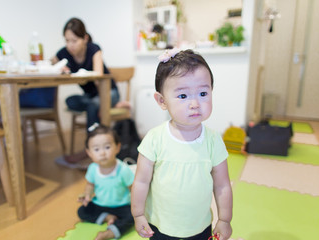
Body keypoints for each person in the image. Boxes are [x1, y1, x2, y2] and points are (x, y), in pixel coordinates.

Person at [131, 49, 233, 240]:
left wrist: (225, 219)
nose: (195, 103)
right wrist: (138, 214)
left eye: (203, 93)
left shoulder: (213, 141)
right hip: (159, 226)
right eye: (183, 96)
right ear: (162, 101)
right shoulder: (154, 139)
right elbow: (141, 181)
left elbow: (222, 185)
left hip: (200, 226)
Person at [52, 17, 120, 163]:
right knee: (70, 101)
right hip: (89, 96)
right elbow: (50, 64)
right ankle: (104, 108)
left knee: (92, 105)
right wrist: (59, 67)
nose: (70, 45)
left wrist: (103, 102)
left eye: (74, 40)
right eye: (67, 41)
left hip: (108, 92)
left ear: (85, 38)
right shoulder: (64, 53)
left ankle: (88, 147)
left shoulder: (94, 49)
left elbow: (98, 77)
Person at [78, 123, 135, 240]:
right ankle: (107, 217)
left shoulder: (123, 170)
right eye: (96, 149)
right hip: (100, 204)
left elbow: (133, 188)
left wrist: (138, 205)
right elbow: (90, 185)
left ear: (117, 147)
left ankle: (110, 233)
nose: (102, 153)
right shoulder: (93, 168)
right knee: (82, 211)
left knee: (133, 216)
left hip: (122, 205)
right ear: (89, 153)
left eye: (107, 147)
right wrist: (87, 195)